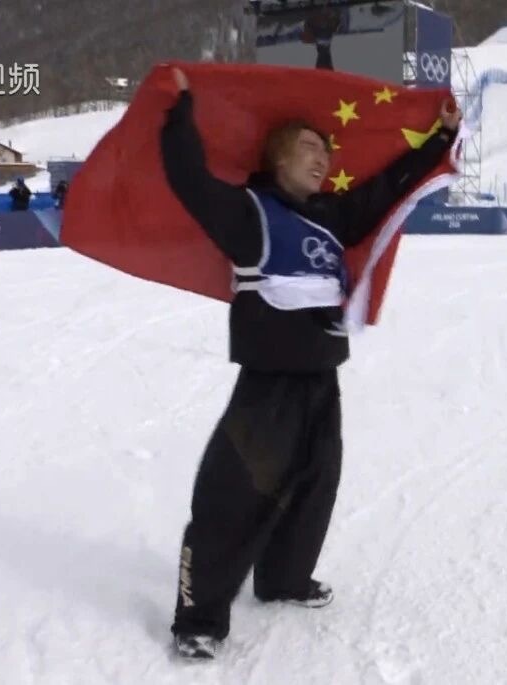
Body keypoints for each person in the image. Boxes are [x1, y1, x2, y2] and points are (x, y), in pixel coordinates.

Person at [160, 67, 460, 660]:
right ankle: (199, 617)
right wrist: (180, 109)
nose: (321, 158)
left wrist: (438, 141)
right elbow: (189, 179)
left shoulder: (330, 215)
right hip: (269, 382)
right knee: (235, 492)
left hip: (322, 376)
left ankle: (282, 578)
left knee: (315, 484)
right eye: (307, 148)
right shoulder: (250, 214)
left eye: (325, 149)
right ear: (277, 160)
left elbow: (385, 188)